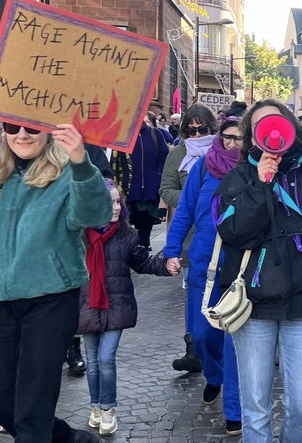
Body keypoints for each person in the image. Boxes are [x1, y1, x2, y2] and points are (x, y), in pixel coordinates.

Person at [0, 122, 111, 443]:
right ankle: (68, 438)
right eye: (12, 126)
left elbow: (95, 214)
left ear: (48, 131)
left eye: (32, 127)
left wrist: (80, 160)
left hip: (49, 301)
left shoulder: (67, 174)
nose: (21, 134)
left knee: (32, 412)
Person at [214, 99, 302, 443]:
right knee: (256, 408)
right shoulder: (238, 178)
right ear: (252, 137)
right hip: (254, 308)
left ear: (289, 128)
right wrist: (261, 185)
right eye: (261, 126)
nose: (270, 131)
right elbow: (233, 232)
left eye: (276, 122)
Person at [163, 118, 245, 436]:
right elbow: (183, 210)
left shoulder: (253, 170)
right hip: (203, 264)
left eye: (240, 138)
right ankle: (214, 374)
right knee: (201, 335)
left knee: (234, 339)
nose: (233, 144)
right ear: (219, 137)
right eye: (228, 137)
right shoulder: (202, 169)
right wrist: (171, 249)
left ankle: (234, 411)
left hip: (239, 268)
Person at [78, 179, 177, 436]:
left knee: (105, 358)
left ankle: (108, 409)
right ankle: (95, 407)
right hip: (87, 305)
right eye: (108, 202)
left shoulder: (127, 236)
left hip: (117, 305)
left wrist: (165, 266)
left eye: (116, 202)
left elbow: (143, 263)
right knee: (92, 361)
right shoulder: (79, 236)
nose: (114, 207)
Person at [158, 104, 218, 373]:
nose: (195, 135)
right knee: (194, 292)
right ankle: (193, 347)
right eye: (190, 130)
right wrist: (190, 201)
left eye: (201, 130)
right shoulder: (178, 153)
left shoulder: (223, 153)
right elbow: (166, 188)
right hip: (190, 236)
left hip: (219, 235)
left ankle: (217, 344)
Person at [112, 114, 170, 251]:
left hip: (150, 185)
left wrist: (158, 175)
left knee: (146, 217)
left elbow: (164, 155)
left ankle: (143, 244)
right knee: (128, 216)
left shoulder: (155, 134)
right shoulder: (123, 134)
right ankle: (129, 244)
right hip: (129, 184)